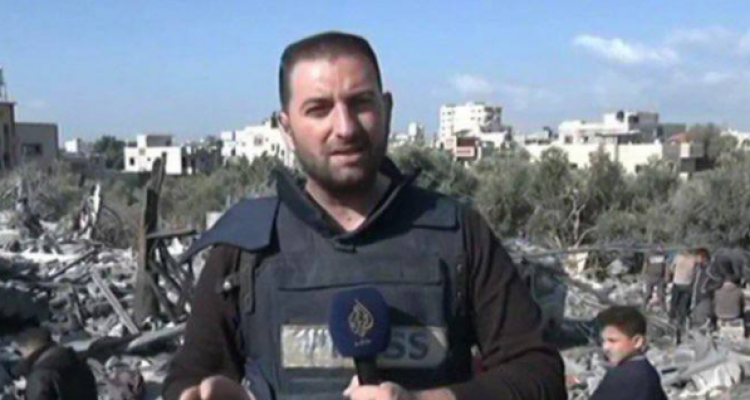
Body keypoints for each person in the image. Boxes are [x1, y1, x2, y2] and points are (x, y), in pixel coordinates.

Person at [162, 32, 566, 400]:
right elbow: (188, 376)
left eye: (360, 103)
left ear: (386, 109)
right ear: (286, 128)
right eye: (319, 109)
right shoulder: (246, 247)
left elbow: (539, 374)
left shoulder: (458, 233)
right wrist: (200, 394)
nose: (345, 128)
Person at [589, 307, 667, 400]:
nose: (605, 347)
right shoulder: (648, 372)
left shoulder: (623, 377)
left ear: (637, 342)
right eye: (603, 341)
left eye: (612, 341)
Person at [13, 327, 98, 400]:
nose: (21, 358)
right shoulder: (75, 360)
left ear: (28, 348)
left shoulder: (41, 374)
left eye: (19, 352)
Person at [690, 248, 722, 330]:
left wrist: (706, 289)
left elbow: (719, 281)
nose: (695, 258)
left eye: (697, 257)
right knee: (695, 320)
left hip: (705, 298)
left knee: (702, 322)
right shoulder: (698, 267)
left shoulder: (710, 268)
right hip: (696, 297)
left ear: (703, 257)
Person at [669, 250, 695, 330]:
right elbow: (695, 272)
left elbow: (671, 268)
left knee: (674, 302)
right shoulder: (693, 259)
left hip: (677, 282)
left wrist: (676, 272)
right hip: (688, 284)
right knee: (683, 304)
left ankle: (672, 319)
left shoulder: (678, 257)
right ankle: (682, 321)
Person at [642, 246, 668, 310]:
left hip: (660, 278)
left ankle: (664, 309)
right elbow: (645, 265)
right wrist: (643, 274)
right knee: (648, 293)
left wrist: (666, 276)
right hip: (650, 276)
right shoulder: (649, 256)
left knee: (661, 295)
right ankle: (643, 307)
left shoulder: (663, 257)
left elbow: (665, 267)